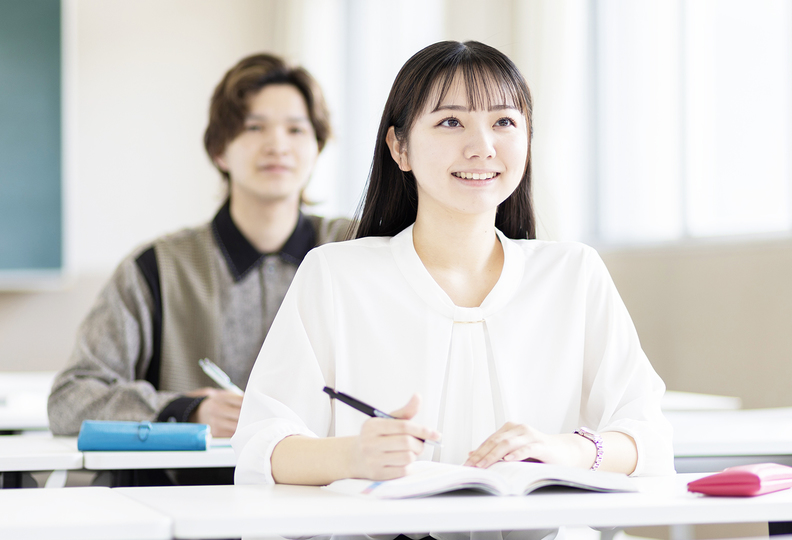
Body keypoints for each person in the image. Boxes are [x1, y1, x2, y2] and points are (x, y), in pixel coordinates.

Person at [232, 40, 674, 537]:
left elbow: (648, 437)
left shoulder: (574, 272)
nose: (482, 145)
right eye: (450, 122)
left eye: (505, 122)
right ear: (399, 147)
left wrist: (569, 449)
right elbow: (261, 446)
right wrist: (353, 454)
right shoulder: (336, 274)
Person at [48, 53, 350, 484]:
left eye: (296, 129)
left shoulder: (352, 248)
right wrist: (185, 410)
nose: (278, 145)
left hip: (321, 500)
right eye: (254, 127)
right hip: (185, 498)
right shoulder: (156, 268)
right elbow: (69, 400)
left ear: (317, 146)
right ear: (219, 150)